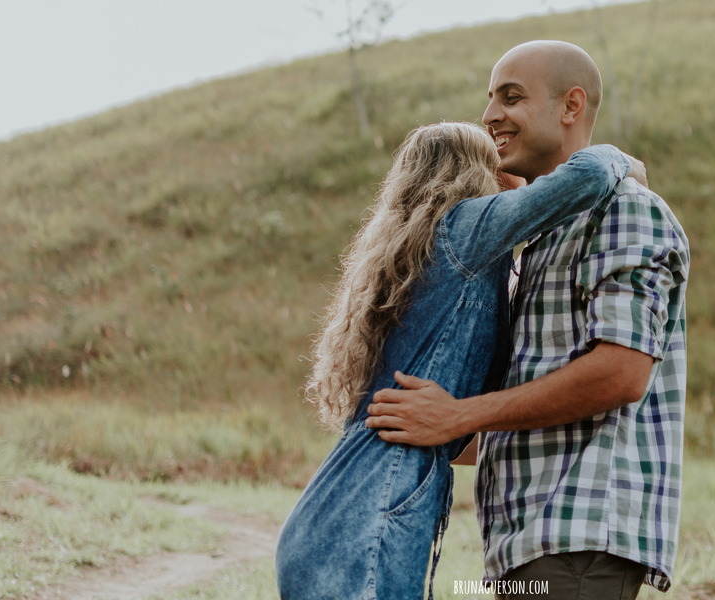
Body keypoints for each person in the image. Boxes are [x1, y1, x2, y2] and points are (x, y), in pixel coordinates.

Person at [366, 41, 690, 599]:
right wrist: (419, 426)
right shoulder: (539, 237)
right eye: (490, 98)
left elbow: (621, 372)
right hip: (528, 541)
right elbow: (527, 405)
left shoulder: (622, 209)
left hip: (580, 531)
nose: (490, 115)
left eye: (511, 97)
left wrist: (456, 415)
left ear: (571, 106)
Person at [275, 120, 642, 600]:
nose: (514, 172)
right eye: (499, 161)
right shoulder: (464, 228)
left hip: (337, 511)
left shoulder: (427, 258)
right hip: (369, 516)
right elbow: (588, 175)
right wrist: (626, 163)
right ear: (478, 173)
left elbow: (453, 431)